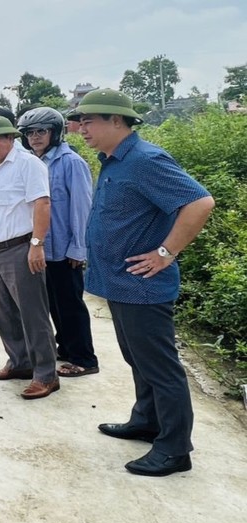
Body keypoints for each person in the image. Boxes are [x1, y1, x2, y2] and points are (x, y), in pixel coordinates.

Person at [67, 88, 215, 476]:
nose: (81, 128)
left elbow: (200, 202)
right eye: (80, 121)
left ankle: (174, 449)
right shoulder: (113, 161)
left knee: (161, 368)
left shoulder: (146, 160)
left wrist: (165, 253)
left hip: (142, 286)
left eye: (89, 121)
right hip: (119, 282)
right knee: (138, 360)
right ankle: (147, 421)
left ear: (117, 120)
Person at [0, 115, 59, 399]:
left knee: (33, 315)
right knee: (4, 314)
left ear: (10, 138)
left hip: (19, 249)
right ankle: (19, 363)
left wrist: (36, 244)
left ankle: (46, 375)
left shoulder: (28, 165)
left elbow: (42, 204)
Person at [17, 107, 99, 377]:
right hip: (42, 248)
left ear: (55, 132)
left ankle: (85, 359)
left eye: (41, 131)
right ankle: (65, 347)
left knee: (70, 304)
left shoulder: (70, 162)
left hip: (65, 249)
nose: (35, 137)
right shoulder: (32, 162)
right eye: (30, 133)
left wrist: (79, 247)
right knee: (52, 302)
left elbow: (82, 209)